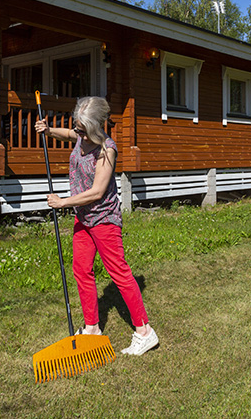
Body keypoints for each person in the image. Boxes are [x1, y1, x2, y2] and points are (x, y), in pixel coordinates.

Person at [34, 96, 159, 356]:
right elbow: (69, 134)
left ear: (95, 126)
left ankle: (145, 332)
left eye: (82, 130)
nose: (78, 134)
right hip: (83, 218)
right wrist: (49, 130)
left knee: (119, 273)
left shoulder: (106, 150)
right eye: (77, 128)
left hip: (104, 219)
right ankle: (92, 327)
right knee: (81, 269)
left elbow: (97, 192)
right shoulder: (82, 136)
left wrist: (63, 202)